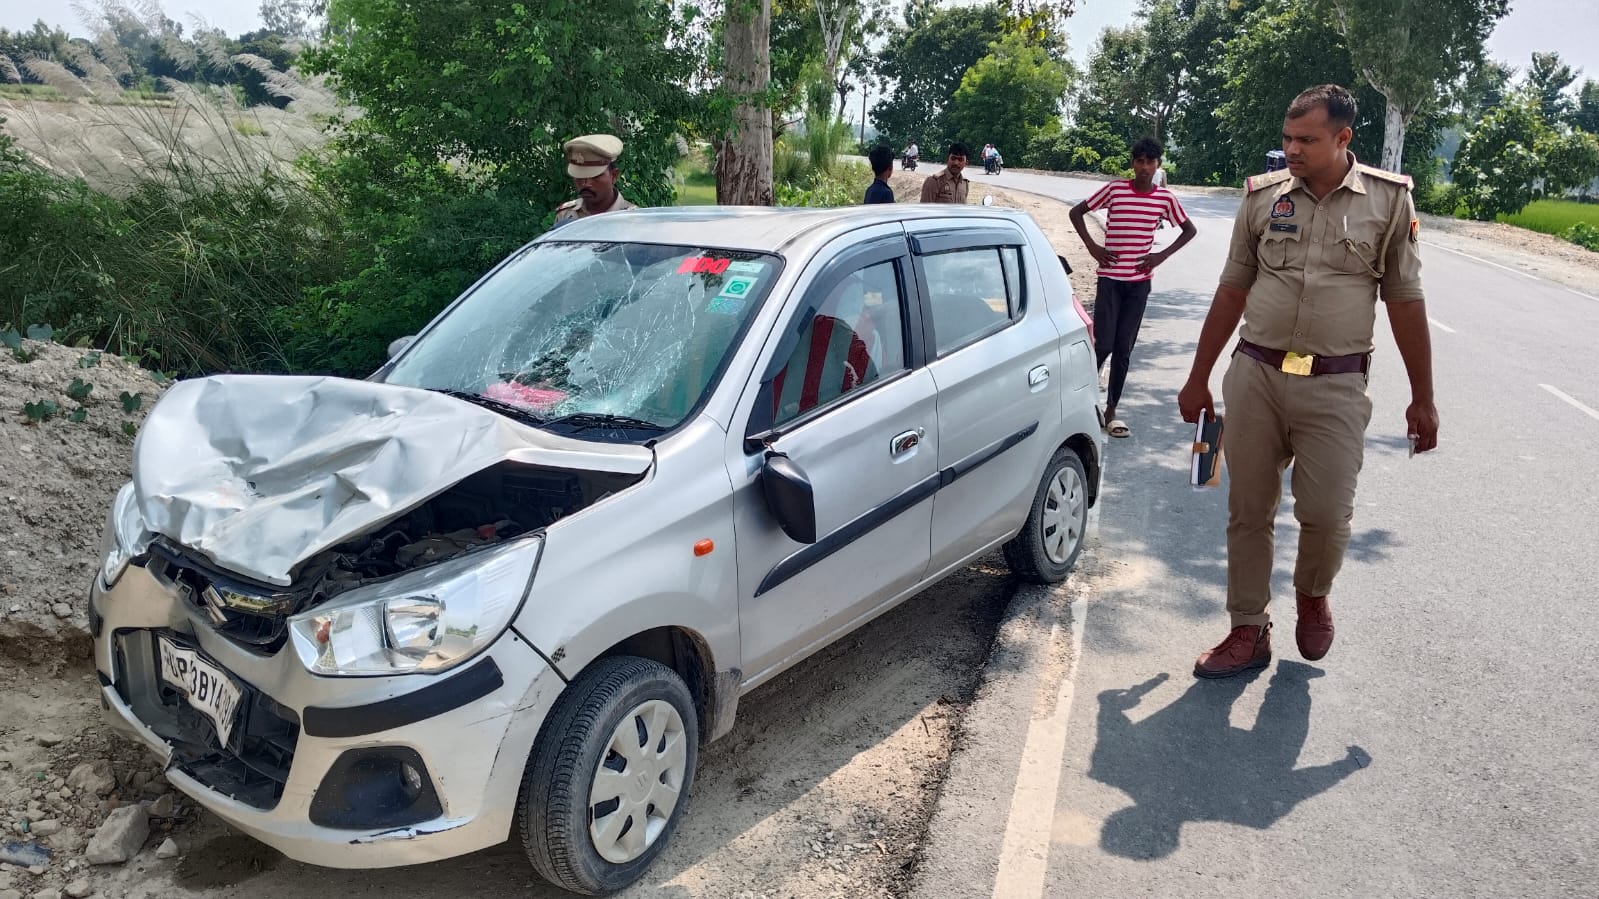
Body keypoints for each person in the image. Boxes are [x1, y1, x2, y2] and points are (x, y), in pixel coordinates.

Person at [1178, 84, 1437, 679]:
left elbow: (1405, 300)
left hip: (1335, 386)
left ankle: (1313, 594)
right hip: (1257, 376)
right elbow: (1232, 290)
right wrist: (1198, 377)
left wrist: (1423, 397)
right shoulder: (1262, 198)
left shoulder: (1388, 201)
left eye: (1307, 140)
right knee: (1248, 511)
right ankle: (1248, 628)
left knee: (1325, 514)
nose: (1291, 149)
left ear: (1343, 138)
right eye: (1287, 138)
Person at [1069, 136, 1198, 438]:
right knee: (1103, 344)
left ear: (1158, 165)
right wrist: (1093, 247)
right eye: (1139, 161)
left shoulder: (1164, 199)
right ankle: (1081, 401)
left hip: (1138, 284)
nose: (1144, 167)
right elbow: (1076, 212)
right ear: (1133, 163)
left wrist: (1159, 257)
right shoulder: (1115, 190)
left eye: (1150, 162)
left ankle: (1111, 410)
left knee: (1123, 348)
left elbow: (1189, 230)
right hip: (1110, 280)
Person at [553, 134, 635, 227]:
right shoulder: (565, 215)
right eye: (580, 177)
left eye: (594, 176)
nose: (585, 184)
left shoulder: (633, 220)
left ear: (613, 176)